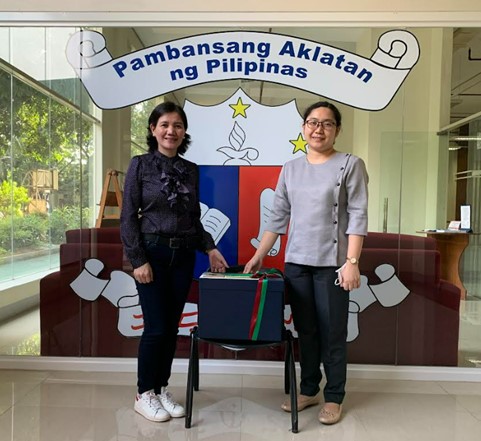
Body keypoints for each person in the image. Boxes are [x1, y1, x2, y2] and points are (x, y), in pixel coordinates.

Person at [244, 101, 368, 425]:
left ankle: (335, 395)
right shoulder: (291, 168)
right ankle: (310, 387)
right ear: (303, 128)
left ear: (337, 130)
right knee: (306, 331)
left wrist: (352, 261)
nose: (318, 129)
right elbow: (277, 217)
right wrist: (259, 255)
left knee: (332, 332)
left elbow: (357, 216)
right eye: (312, 122)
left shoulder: (350, 164)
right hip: (296, 263)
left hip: (333, 264)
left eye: (327, 124)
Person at [120, 101, 228, 423]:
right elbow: (128, 218)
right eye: (165, 124)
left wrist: (209, 248)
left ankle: (162, 387)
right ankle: (144, 393)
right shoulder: (139, 165)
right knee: (155, 328)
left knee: (171, 328)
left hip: (182, 257)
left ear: (184, 132)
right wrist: (138, 259)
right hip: (151, 255)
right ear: (153, 129)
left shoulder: (189, 170)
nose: (171, 131)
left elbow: (193, 218)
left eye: (178, 125)